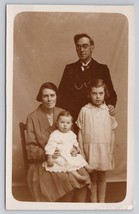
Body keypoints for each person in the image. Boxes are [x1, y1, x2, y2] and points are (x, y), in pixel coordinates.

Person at [26, 82, 90, 202]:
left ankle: (80, 208)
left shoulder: (63, 113)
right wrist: (46, 155)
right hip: (44, 161)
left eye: (52, 95)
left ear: (56, 96)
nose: (49, 99)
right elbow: (31, 147)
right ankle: (65, 208)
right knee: (66, 179)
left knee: (83, 173)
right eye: (45, 96)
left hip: (67, 157)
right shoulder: (32, 118)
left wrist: (74, 149)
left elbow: (71, 137)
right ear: (40, 97)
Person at [57, 33, 117, 123]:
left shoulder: (102, 69)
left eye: (85, 46)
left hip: (96, 118)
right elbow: (61, 95)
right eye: (78, 47)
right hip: (74, 118)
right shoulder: (69, 69)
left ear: (92, 47)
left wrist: (111, 105)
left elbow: (111, 94)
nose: (81, 50)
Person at [76, 79, 118, 202]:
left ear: (105, 94)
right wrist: (82, 152)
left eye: (101, 93)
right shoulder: (84, 110)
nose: (98, 96)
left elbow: (112, 133)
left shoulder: (108, 111)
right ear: (89, 94)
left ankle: (102, 202)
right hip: (90, 148)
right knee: (92, 177)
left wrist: (110, 153)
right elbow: (80, 132)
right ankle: (94, 203)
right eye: (94, 93)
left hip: (104, 149)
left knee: (102, 176)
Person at [42, 110, 94, 181]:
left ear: (71, 124)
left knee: (79, 158)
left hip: (69, 154)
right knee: (67, 164)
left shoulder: (71, 133)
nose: (65, 125)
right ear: (57, 123)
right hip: (61, 155)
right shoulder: (55, 134)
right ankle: (78, 176)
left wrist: (77, 148)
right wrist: (49, 157)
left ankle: (88, 167)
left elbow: (74, 141)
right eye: (62, 122)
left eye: (68, 123)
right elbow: (50, 146)